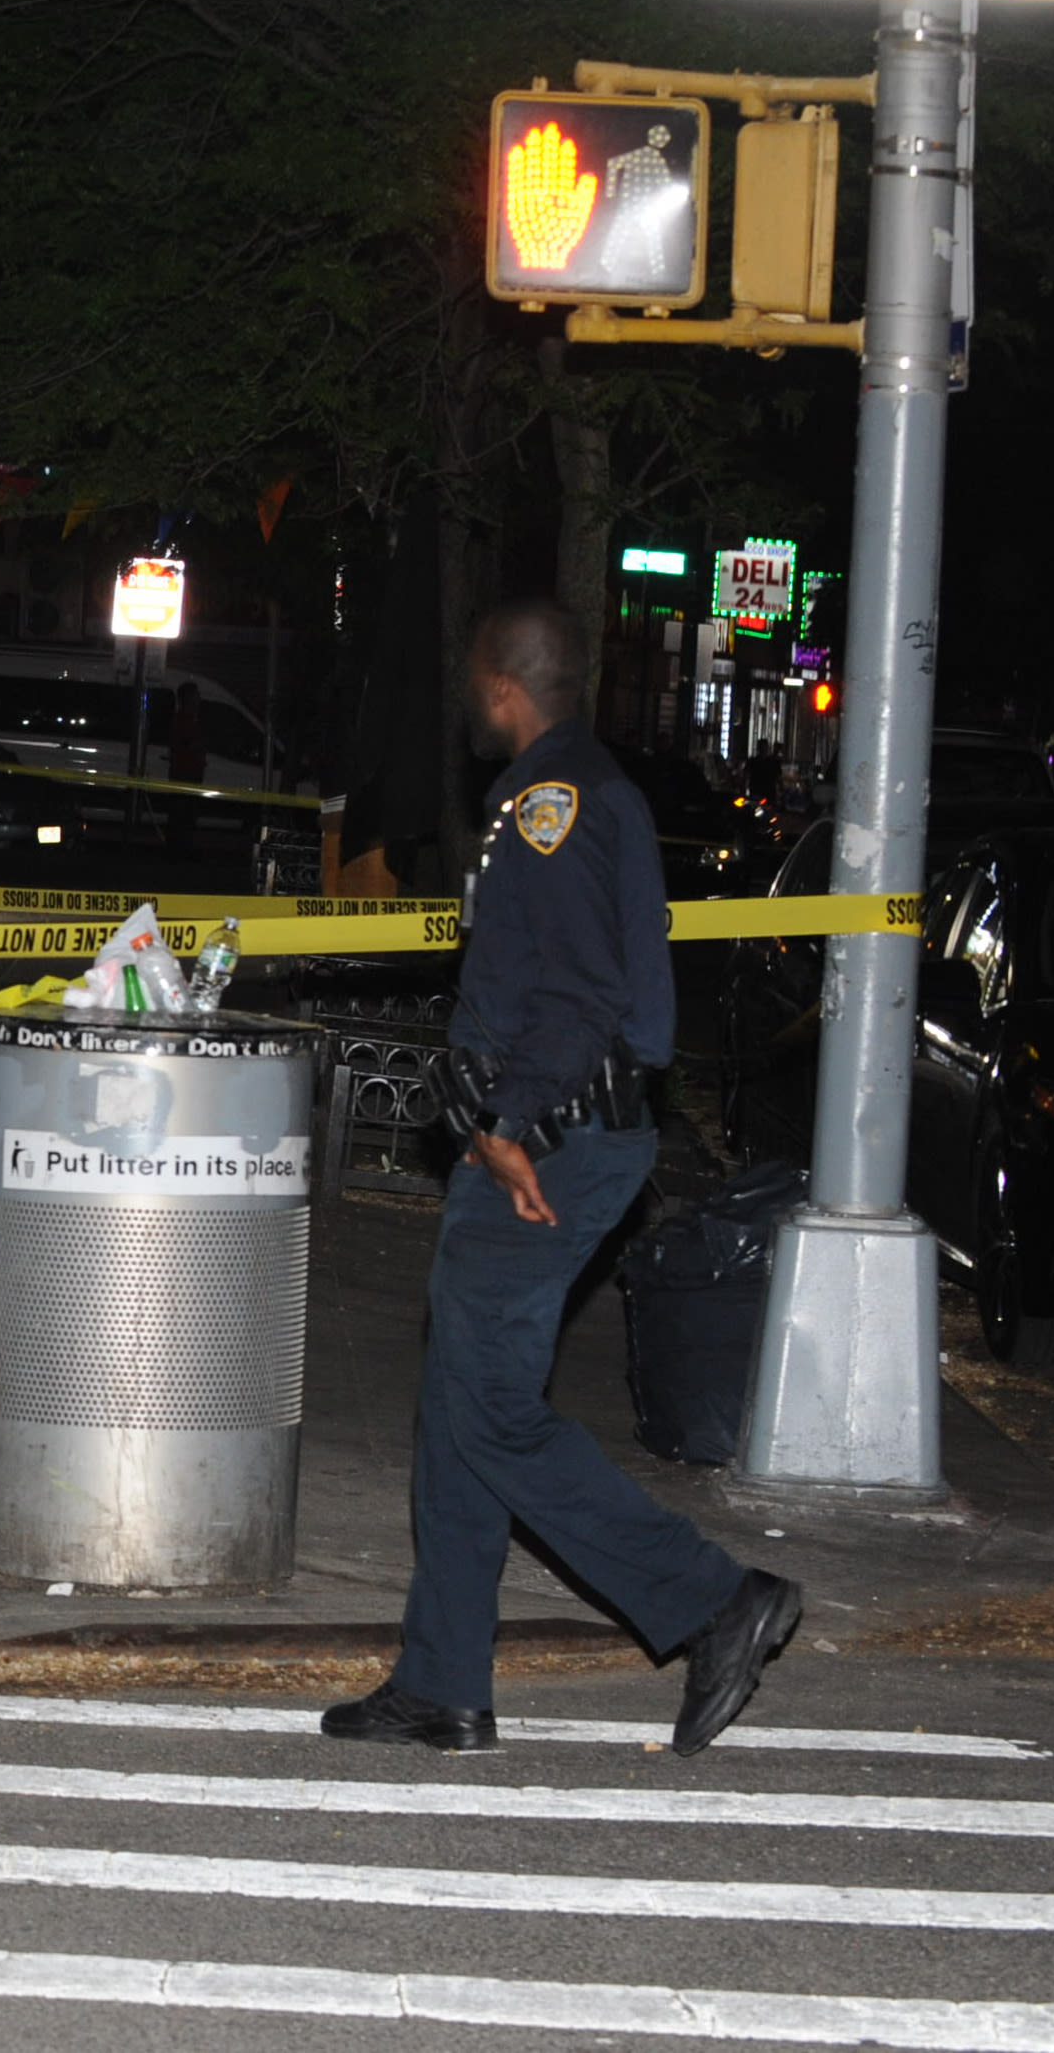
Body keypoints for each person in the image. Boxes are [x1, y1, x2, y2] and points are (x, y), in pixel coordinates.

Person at [324, 601, 801, 1758]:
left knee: (486, 1409)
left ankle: (711, 1597)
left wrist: (506, 1122)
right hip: (555, 1135)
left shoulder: (551, 801)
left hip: (549, 1142)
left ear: (500, 686)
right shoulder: (579, 789)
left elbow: (584, 991)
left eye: (470, 685)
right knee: (456, 1411)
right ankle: (442, 1680)